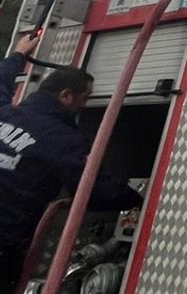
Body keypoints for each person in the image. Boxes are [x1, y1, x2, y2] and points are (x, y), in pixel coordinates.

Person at [1, 33, 143, 291]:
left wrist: (18, 54)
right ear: (66, 96)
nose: (85, 104)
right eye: (85, 98)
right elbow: (94, 189)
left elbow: (1, 83)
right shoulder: (63, 140)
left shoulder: (6, 111)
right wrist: (142, 199)